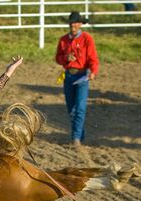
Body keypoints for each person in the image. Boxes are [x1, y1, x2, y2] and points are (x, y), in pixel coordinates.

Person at [55, 11, 99, 146]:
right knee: (71, 110)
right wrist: (65, 58)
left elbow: (93, 57)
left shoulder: (87, 39)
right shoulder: (63, 40)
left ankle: (76, 138)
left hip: (82, 75)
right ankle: (80, 135)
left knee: (79, 108)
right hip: (68, 75)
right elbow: (58, 58)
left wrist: (93, 71)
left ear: (80, 24)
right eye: (72, 22)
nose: (73, 24)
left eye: (76, 22)